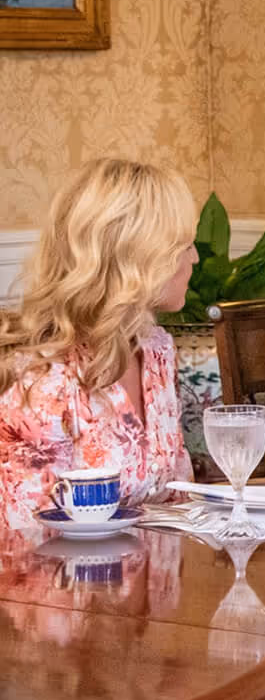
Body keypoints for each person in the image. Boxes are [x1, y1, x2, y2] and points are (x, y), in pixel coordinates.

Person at [0, 159, 197, 530]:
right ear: (138, 257)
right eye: (184, 246)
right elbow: (29, 540)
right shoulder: (44, 379)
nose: (195, 258)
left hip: (158, 566)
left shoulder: (157, 351)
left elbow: (177, 499)